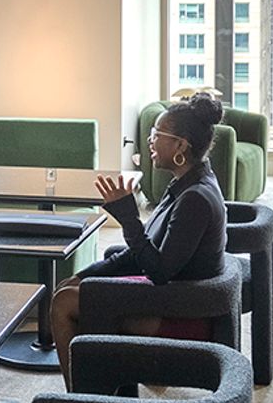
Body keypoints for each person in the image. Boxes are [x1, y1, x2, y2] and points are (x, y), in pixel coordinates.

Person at [48, 91, 229, 386]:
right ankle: (93, 394)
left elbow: (158, 271)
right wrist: (83, 277)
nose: (150, 141)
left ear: (180, 145)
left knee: (65, 303)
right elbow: (142, 253)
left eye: (156, 134)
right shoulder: (187, 185)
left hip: (183, 313)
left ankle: (82, 402)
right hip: (172, 296)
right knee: (70, 289)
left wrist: (129, 219)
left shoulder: (194, 198)